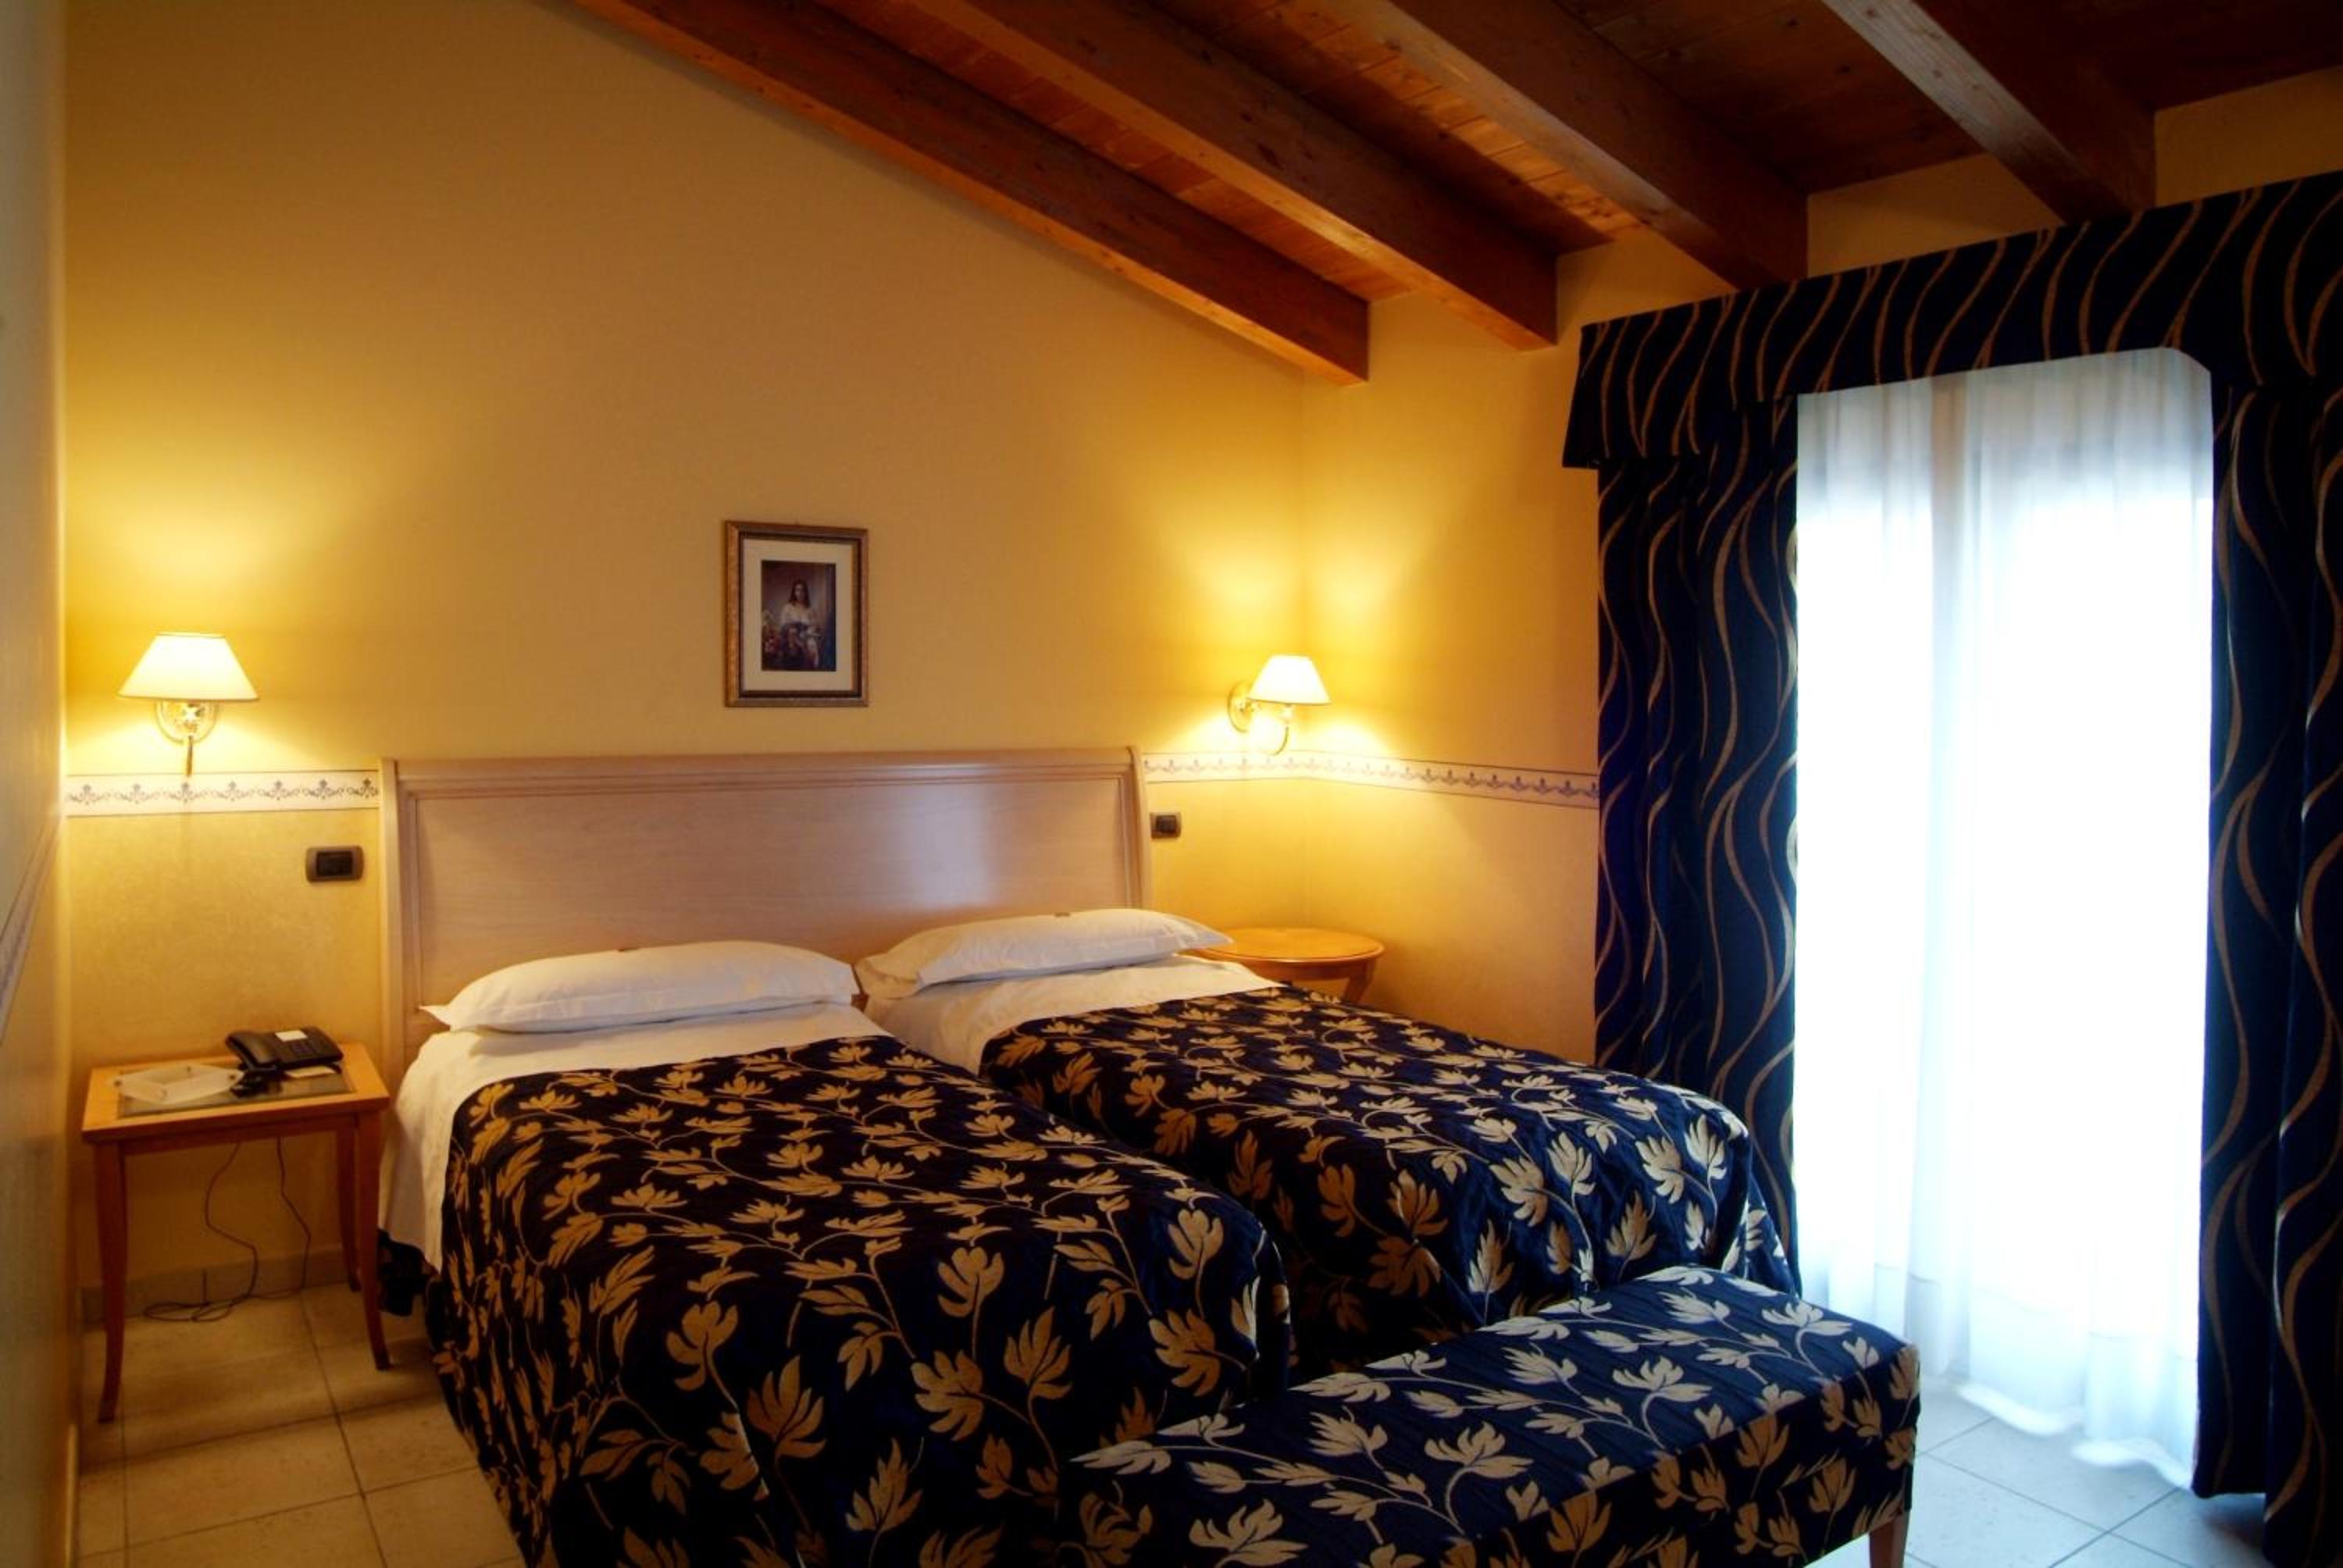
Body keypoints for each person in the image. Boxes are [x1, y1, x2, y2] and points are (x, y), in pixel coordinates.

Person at [777, 579, 820, 669]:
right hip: (791, 638)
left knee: (812, 646)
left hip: (807, 637)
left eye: (802, 590)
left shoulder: (810, 610)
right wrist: (794, 632)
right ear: (794, 592)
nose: (800, 593)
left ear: (806, 593)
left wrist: (807, 633)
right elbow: (783, 625)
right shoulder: (788, 608)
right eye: (797, 590)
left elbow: (815, 626)